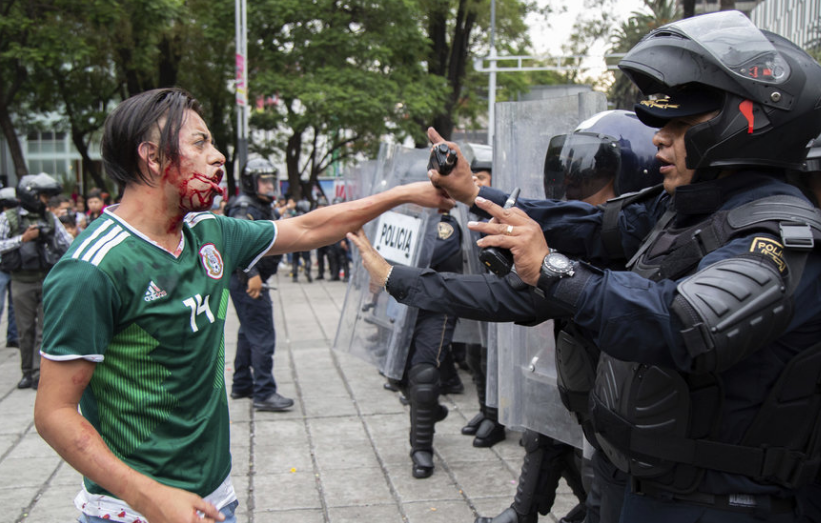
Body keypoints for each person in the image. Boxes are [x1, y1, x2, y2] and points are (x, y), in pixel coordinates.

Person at [409, 12, 821, 523]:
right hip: (645, 483)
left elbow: (682, 324)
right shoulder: (692, 206)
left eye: (680, 125)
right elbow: (591, 226)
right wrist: (476, 194)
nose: (659, 139)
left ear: (744, 124)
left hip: (718, 503)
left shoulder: (779, 231)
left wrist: (552, 269)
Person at [33, 87, 453, 523]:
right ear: (153, 158)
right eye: (200, 143)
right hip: (130, 512)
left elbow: (310, 228)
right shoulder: (91, 269)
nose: (218, 158)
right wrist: (148, 496)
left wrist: (405, 194)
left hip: (216, 497)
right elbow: (54, 413)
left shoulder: (210, 232)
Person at [225, 158, 293, 412]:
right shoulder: (245, 207)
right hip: (248, 281)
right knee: (263, 335)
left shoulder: (258, 205)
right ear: (251, 183)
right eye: (264, 181)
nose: (270, 186)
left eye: (271, 181)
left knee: (248, 332)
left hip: (249, 279)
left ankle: (242, 383)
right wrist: (251, 273)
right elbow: (236, 242)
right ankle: (264, 391)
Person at [0, 173, 72, 390]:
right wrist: (22, 239)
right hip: (21, 281)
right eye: (43, 196)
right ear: (31, 195)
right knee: (24, 330)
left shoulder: (50, 218)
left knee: (44, 328)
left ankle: (40, 373)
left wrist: (49, 238)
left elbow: (68, 243)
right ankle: (27, 373)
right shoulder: (9, 218)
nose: (45, 200)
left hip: (46, 279)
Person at [0, 187, 19, 349]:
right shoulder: (4, 218)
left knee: (13, 306)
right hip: (2, 268)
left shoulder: (18, 217)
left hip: (14, 267)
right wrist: (21, 240)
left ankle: (12, 337)